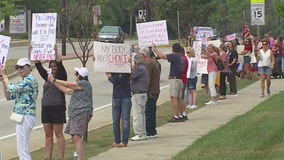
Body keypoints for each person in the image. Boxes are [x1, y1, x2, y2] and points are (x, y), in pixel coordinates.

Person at [48, 67, 93, 160]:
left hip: (81, 112)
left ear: (79, 75)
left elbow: (68, 85)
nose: (75, 76)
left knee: (76, 136)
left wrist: (55, 79)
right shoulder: (78, 87)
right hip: (75, 114)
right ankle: (81, 157)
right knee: (74, 136)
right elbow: (67, 90)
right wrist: (54, 82)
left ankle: (81, 158)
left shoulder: (84, 84)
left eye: (76, 74)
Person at [0, 58, 39, 160]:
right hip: (22, 117)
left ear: (29, 68)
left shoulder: (30, 80)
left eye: (22, 67)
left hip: (26, 116)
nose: (19, 69)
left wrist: (5, 76)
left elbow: (13, 88)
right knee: (22, 148)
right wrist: (4, 81)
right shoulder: (23, 82)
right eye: (17, 67)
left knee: (23, 149)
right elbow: (9, 95)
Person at [34, 45, 67, 160]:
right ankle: (48, 157)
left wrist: (56, 51)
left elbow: (60, 64)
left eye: (54, 66)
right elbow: (38, 65)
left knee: (58, 134)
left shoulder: (62, 76)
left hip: (57, 107)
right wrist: (34, 50)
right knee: (48, 135)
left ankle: (61, 157)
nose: (53, 68)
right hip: (46, 107)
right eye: (51, 66)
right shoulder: (47, 77)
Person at [152, 43, 185, 122]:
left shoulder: (175, 56)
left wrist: (155, 49)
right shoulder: (181, 57)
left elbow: (163, 56)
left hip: (175, 80)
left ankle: (176, 116)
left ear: (173, 49)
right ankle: (182, 114)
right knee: (179, 98)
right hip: (180, 79)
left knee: (174, 98)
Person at [106, 72, 132, 147]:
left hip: (125, 97)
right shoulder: (114, 71)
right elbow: (114, 80)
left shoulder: (127, 70)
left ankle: (124, 141)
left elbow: (131, 74)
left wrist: (109, 77)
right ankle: (117, 141)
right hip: (116, 98)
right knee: (115, 121)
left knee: (125, 121)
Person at [141, 47, 161, 138]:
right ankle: (152, 130)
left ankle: (150, 131)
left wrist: (144, 90)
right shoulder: (154, 62)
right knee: (151, 111)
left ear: (144, 55)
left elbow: (147, 78)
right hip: (155, 90)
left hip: (151, 92)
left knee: (149, 112)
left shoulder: (148, 64)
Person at [130, 54, 149, 141]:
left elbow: (131, 76)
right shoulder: (143, 68)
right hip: (141, 94)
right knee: (141, 113)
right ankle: (143, 132)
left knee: (137, 114)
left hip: (138, 94)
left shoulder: (140, 69)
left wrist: (130, 66)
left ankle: (139, 133)